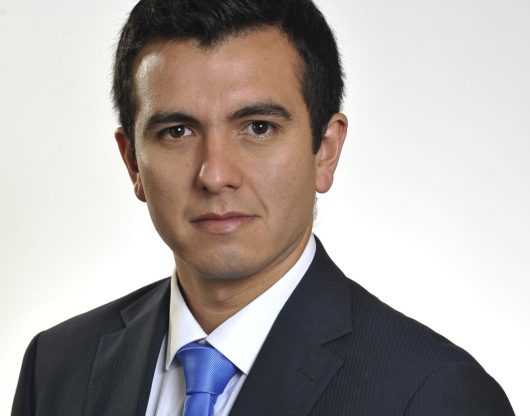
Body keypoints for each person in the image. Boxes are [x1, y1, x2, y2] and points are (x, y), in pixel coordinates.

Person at [12, 0, 515, 415]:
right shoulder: (56, 367)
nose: (215, 175)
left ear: (325, 151)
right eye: (177, 132)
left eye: (258, 127)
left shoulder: (436, 394)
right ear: (132, 163)